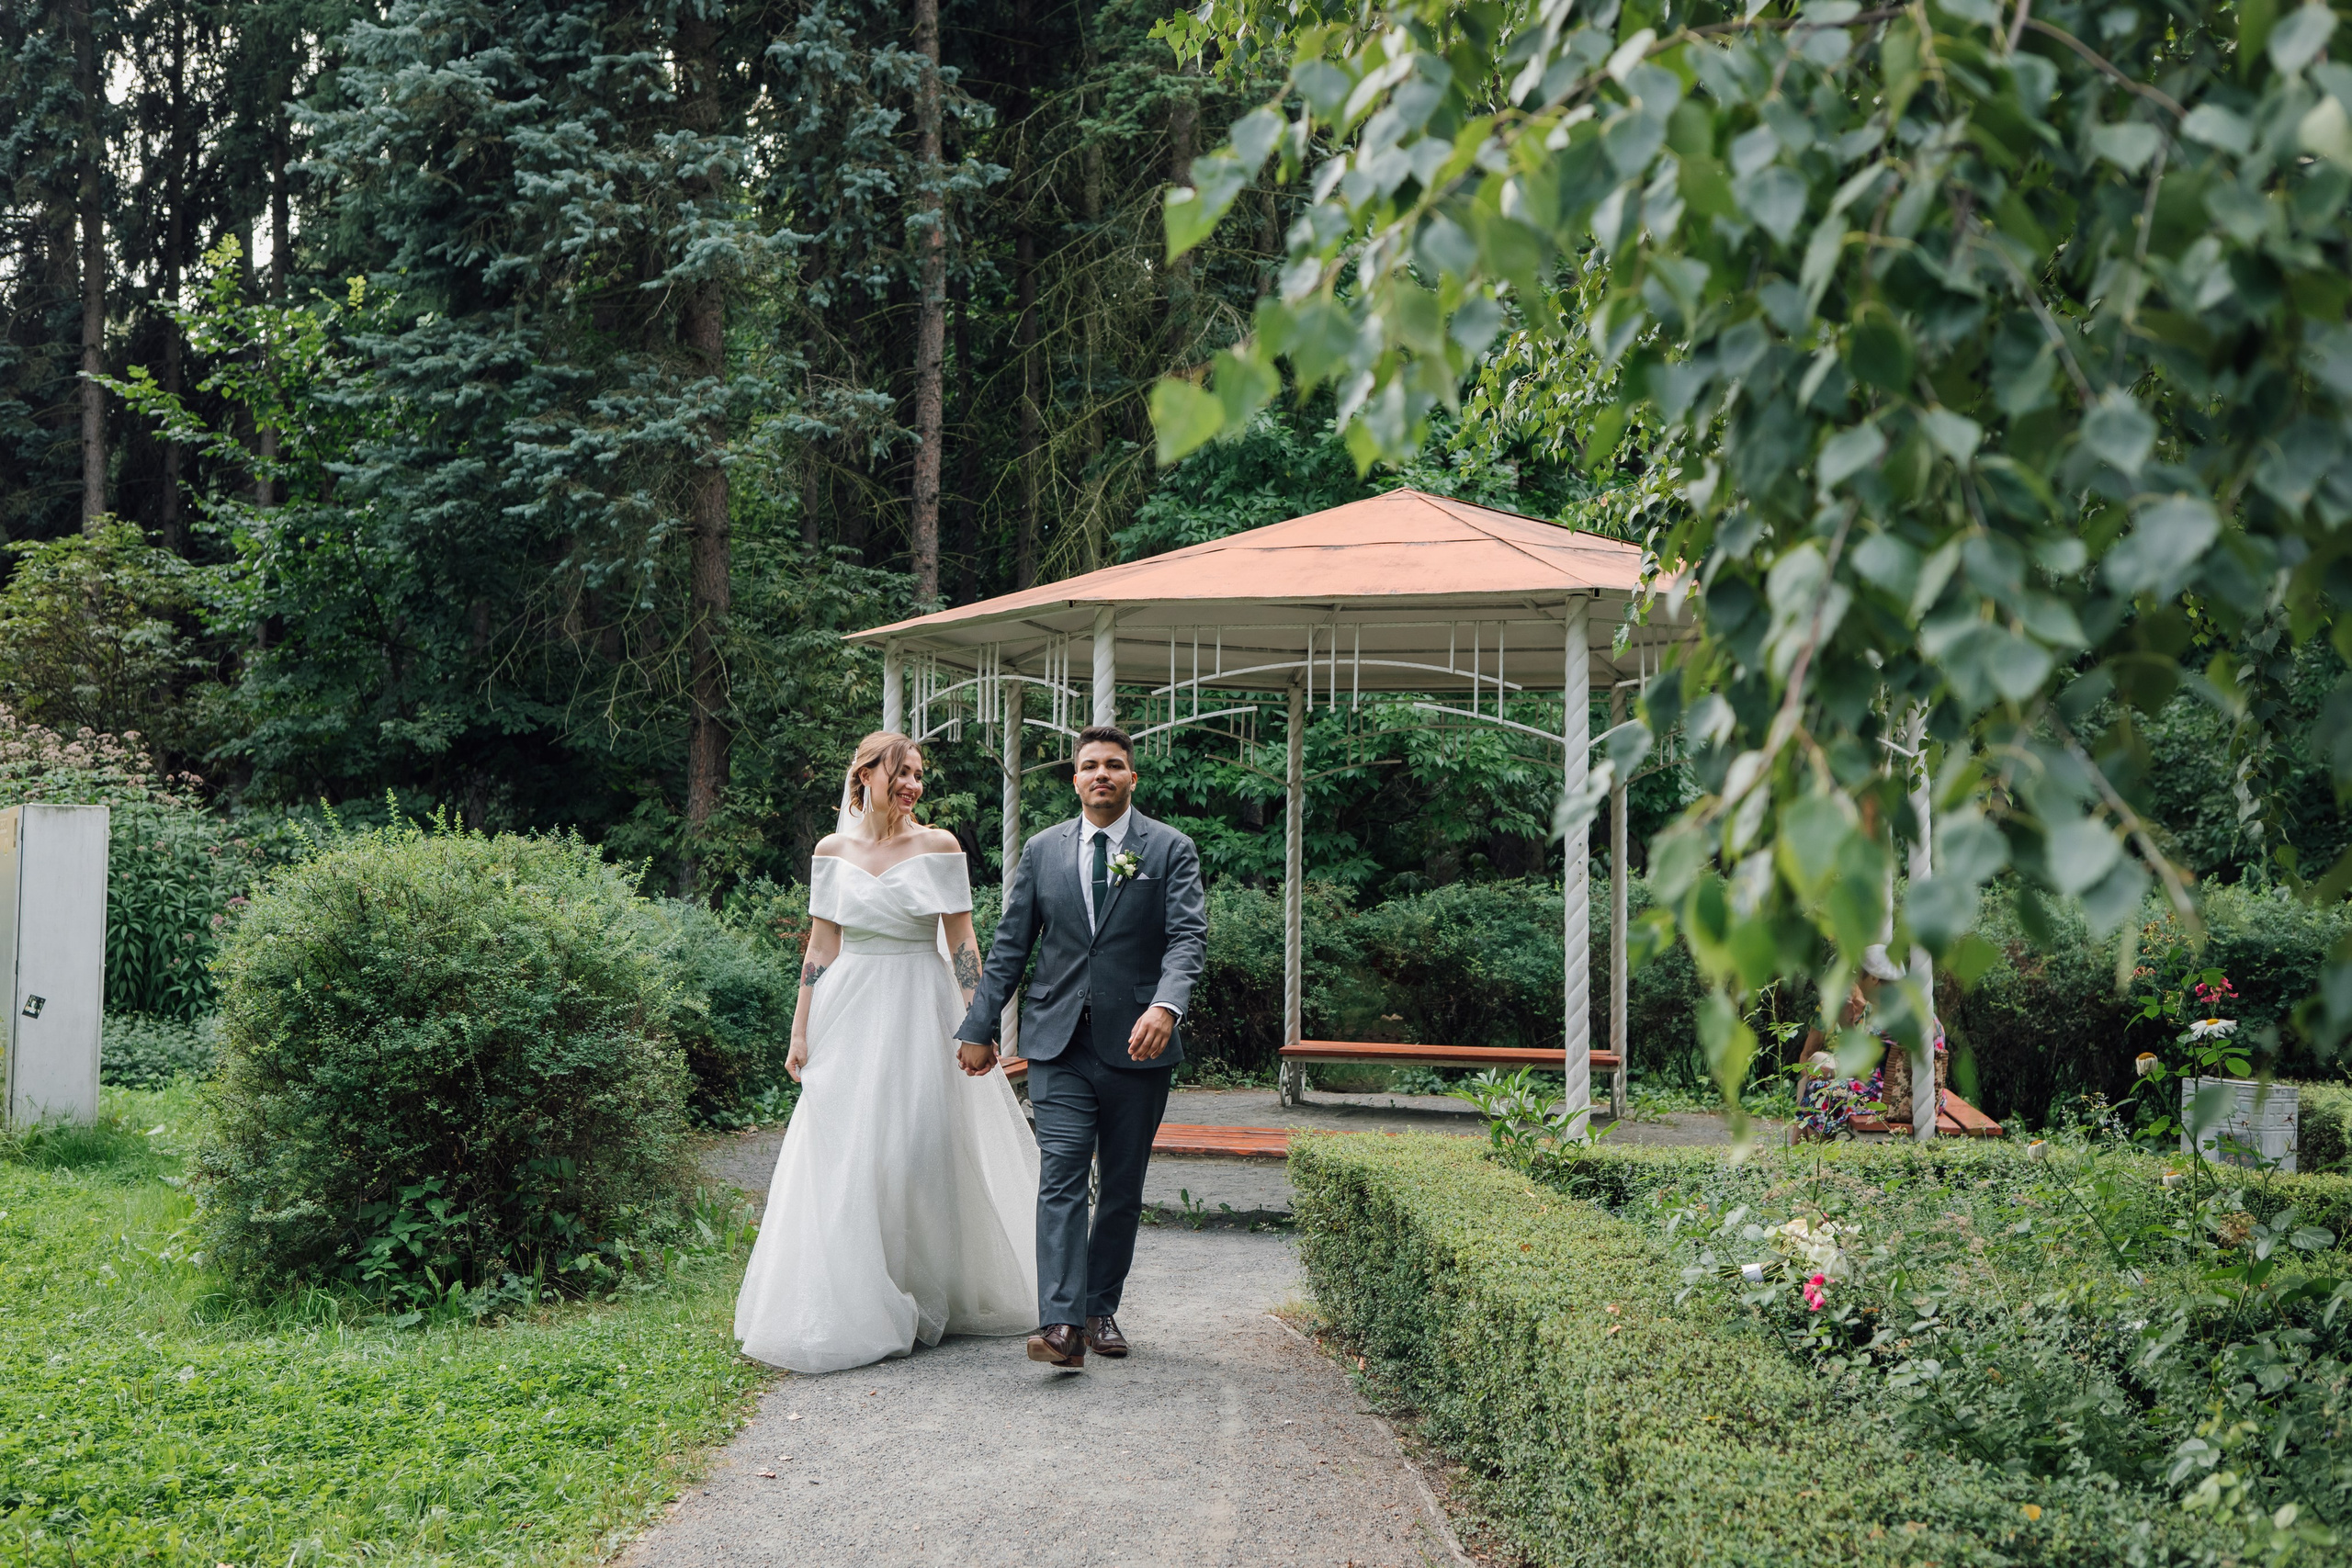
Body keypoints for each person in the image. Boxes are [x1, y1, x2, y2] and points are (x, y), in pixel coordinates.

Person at [732, 731, 1039, 1374]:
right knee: (850, 1148)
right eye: (901, 772)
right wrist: (799, 1029)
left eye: (919, 775)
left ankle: (932, 1287)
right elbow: (821, 946)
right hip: (849, 1008)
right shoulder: (830, 851)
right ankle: (860, 1288)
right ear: (864, 775)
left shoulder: (940, 846)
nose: (913, 785)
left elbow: (963, 944)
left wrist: (978, 1022)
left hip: (920, 1007)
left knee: (918, 1144)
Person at [956, 724, 1207, 1370]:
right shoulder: (1042, 851)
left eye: (1114, 765)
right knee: (1061, 1172)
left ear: (1132, 778)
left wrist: (1166, 1005)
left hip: (1140, 1045)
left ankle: (1100, 1308)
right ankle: (1062, 1325)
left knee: (1121, 1185)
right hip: (1057, 1041)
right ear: (1074, 779)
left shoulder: (1170, 849)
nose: (1102, 774)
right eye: (1090, 764)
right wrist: (979, 1025)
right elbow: (1011, 945)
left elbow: (1187, 939)